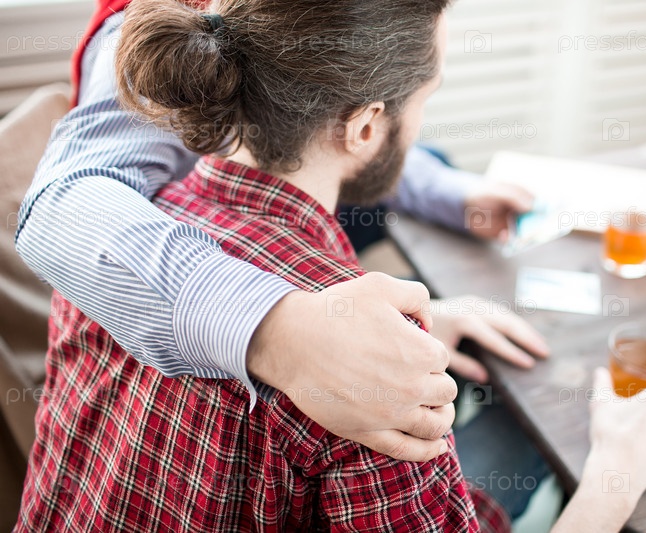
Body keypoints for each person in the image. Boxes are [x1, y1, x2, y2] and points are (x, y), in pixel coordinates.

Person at [17, 0, 646, 530]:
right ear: (368, 126)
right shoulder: (367, 384)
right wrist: (616, 474)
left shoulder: (115, 234)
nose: (422, 124)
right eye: (426, 98)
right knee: (528, 436)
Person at [13, 0, 536, 463]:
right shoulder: (138, 33)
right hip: (200, 319)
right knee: (519, 437)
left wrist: (446, 190)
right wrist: (282, 332)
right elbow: (61, 211)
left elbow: (323, 108)